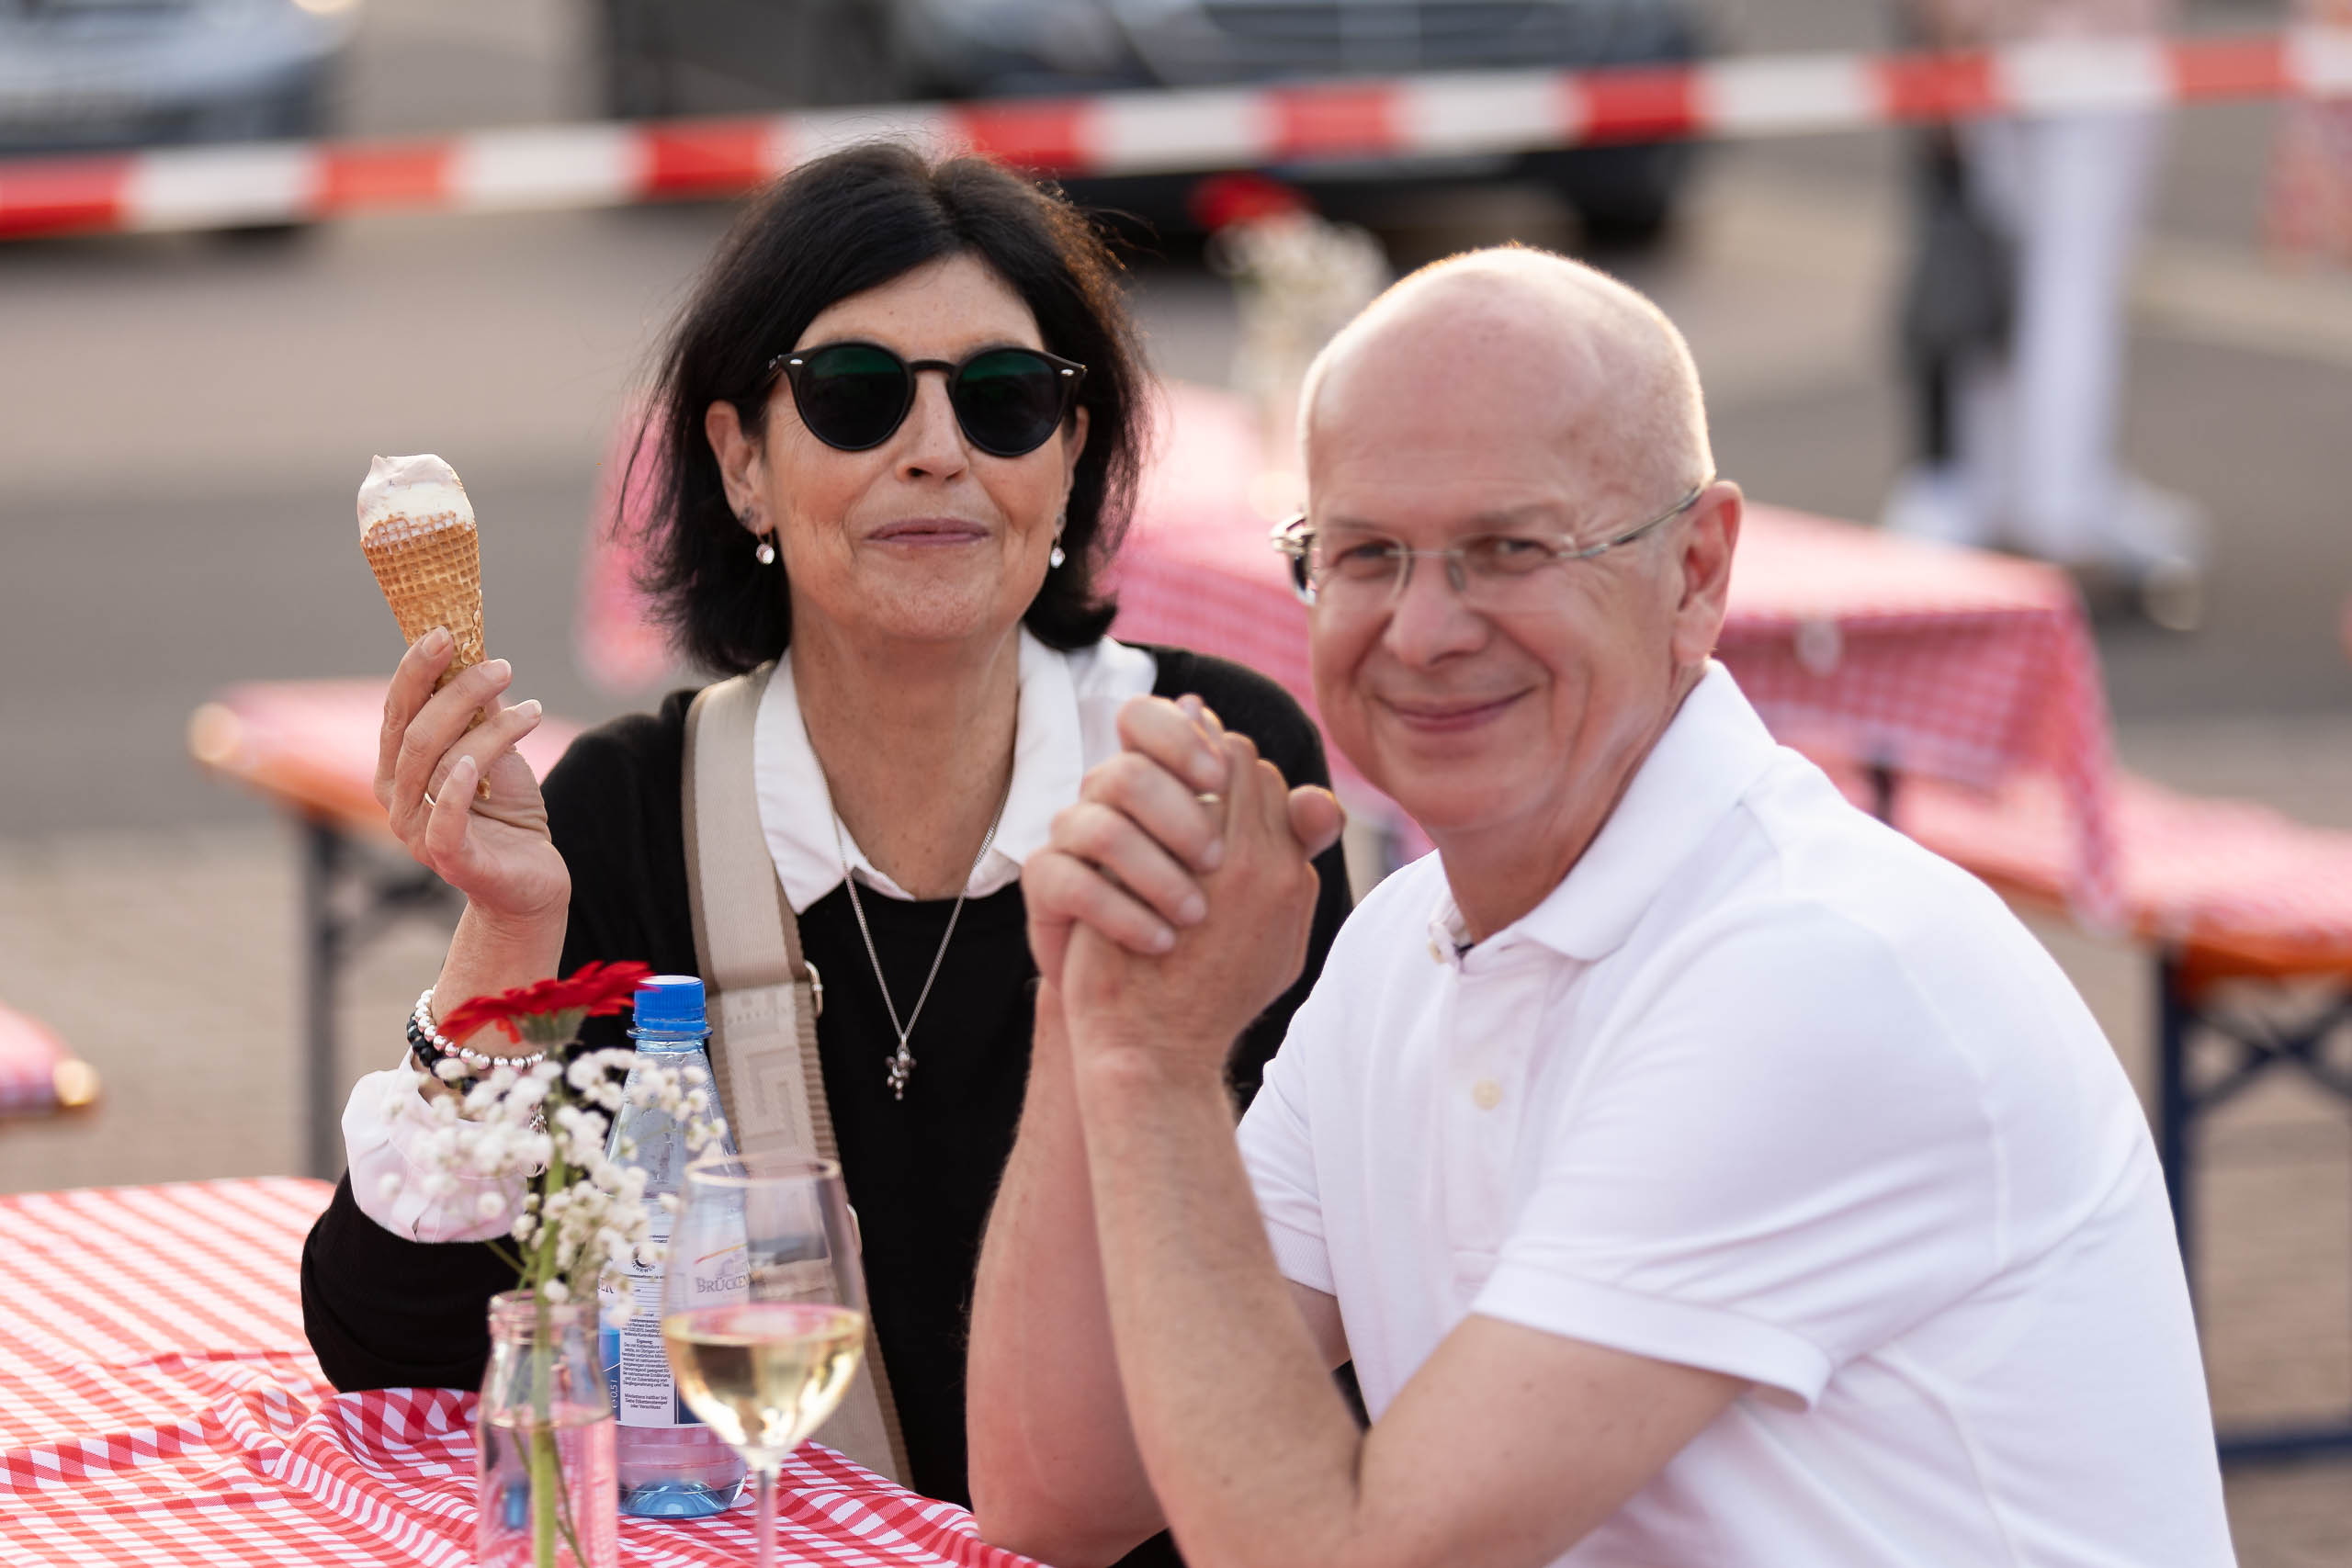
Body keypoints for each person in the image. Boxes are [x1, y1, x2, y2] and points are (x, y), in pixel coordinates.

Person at [967, 246, 2236, 1567]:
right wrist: (1097, 1006)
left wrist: (1166, 1065)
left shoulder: (1812, 968)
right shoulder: (1407, 947)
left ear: (1697, 570)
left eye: (1508, 549)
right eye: (1366, 552)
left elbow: (1341, 1551)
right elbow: (1058, 1491)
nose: (1422, 628)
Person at [299, 143, 1353, 1524]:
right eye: (855, 398)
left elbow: (1331, 1302)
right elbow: (398, 1350)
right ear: (741, 461)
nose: (937, 450)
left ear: (1073, 453)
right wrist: (504, 931)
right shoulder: (620, 815)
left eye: (1006, 400)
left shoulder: (1204, 765)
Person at [1882, 0, 2206, 630]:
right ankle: (2058, 513)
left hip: (1997, 42)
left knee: (2021, 279)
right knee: (2069, 292)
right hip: (2085, 44)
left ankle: (2017, 494)